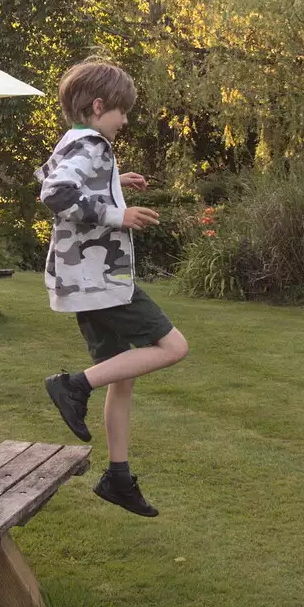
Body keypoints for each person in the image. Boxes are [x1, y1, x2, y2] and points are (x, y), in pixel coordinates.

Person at [36, 60, 188, 516]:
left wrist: (111, 185)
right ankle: (72, 386)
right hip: (101, 279)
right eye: (121, 111)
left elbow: (47, 178)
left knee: (123, 375)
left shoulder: (73, 142)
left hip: (83, 278)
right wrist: (117, 213)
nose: (125, 121)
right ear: (99, 105)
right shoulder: (95, 144)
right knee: (173, 346)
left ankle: (118, 477)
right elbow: (55, 196)